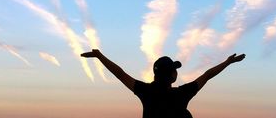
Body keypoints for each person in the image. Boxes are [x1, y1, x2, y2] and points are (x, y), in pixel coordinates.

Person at [81, 49, 245, 118]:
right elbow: (208, 75)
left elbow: (120, 74)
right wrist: (227, 62)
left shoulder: (145, 92)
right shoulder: (182, 94)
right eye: (175, 70)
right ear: (172, 76)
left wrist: (99, 56)